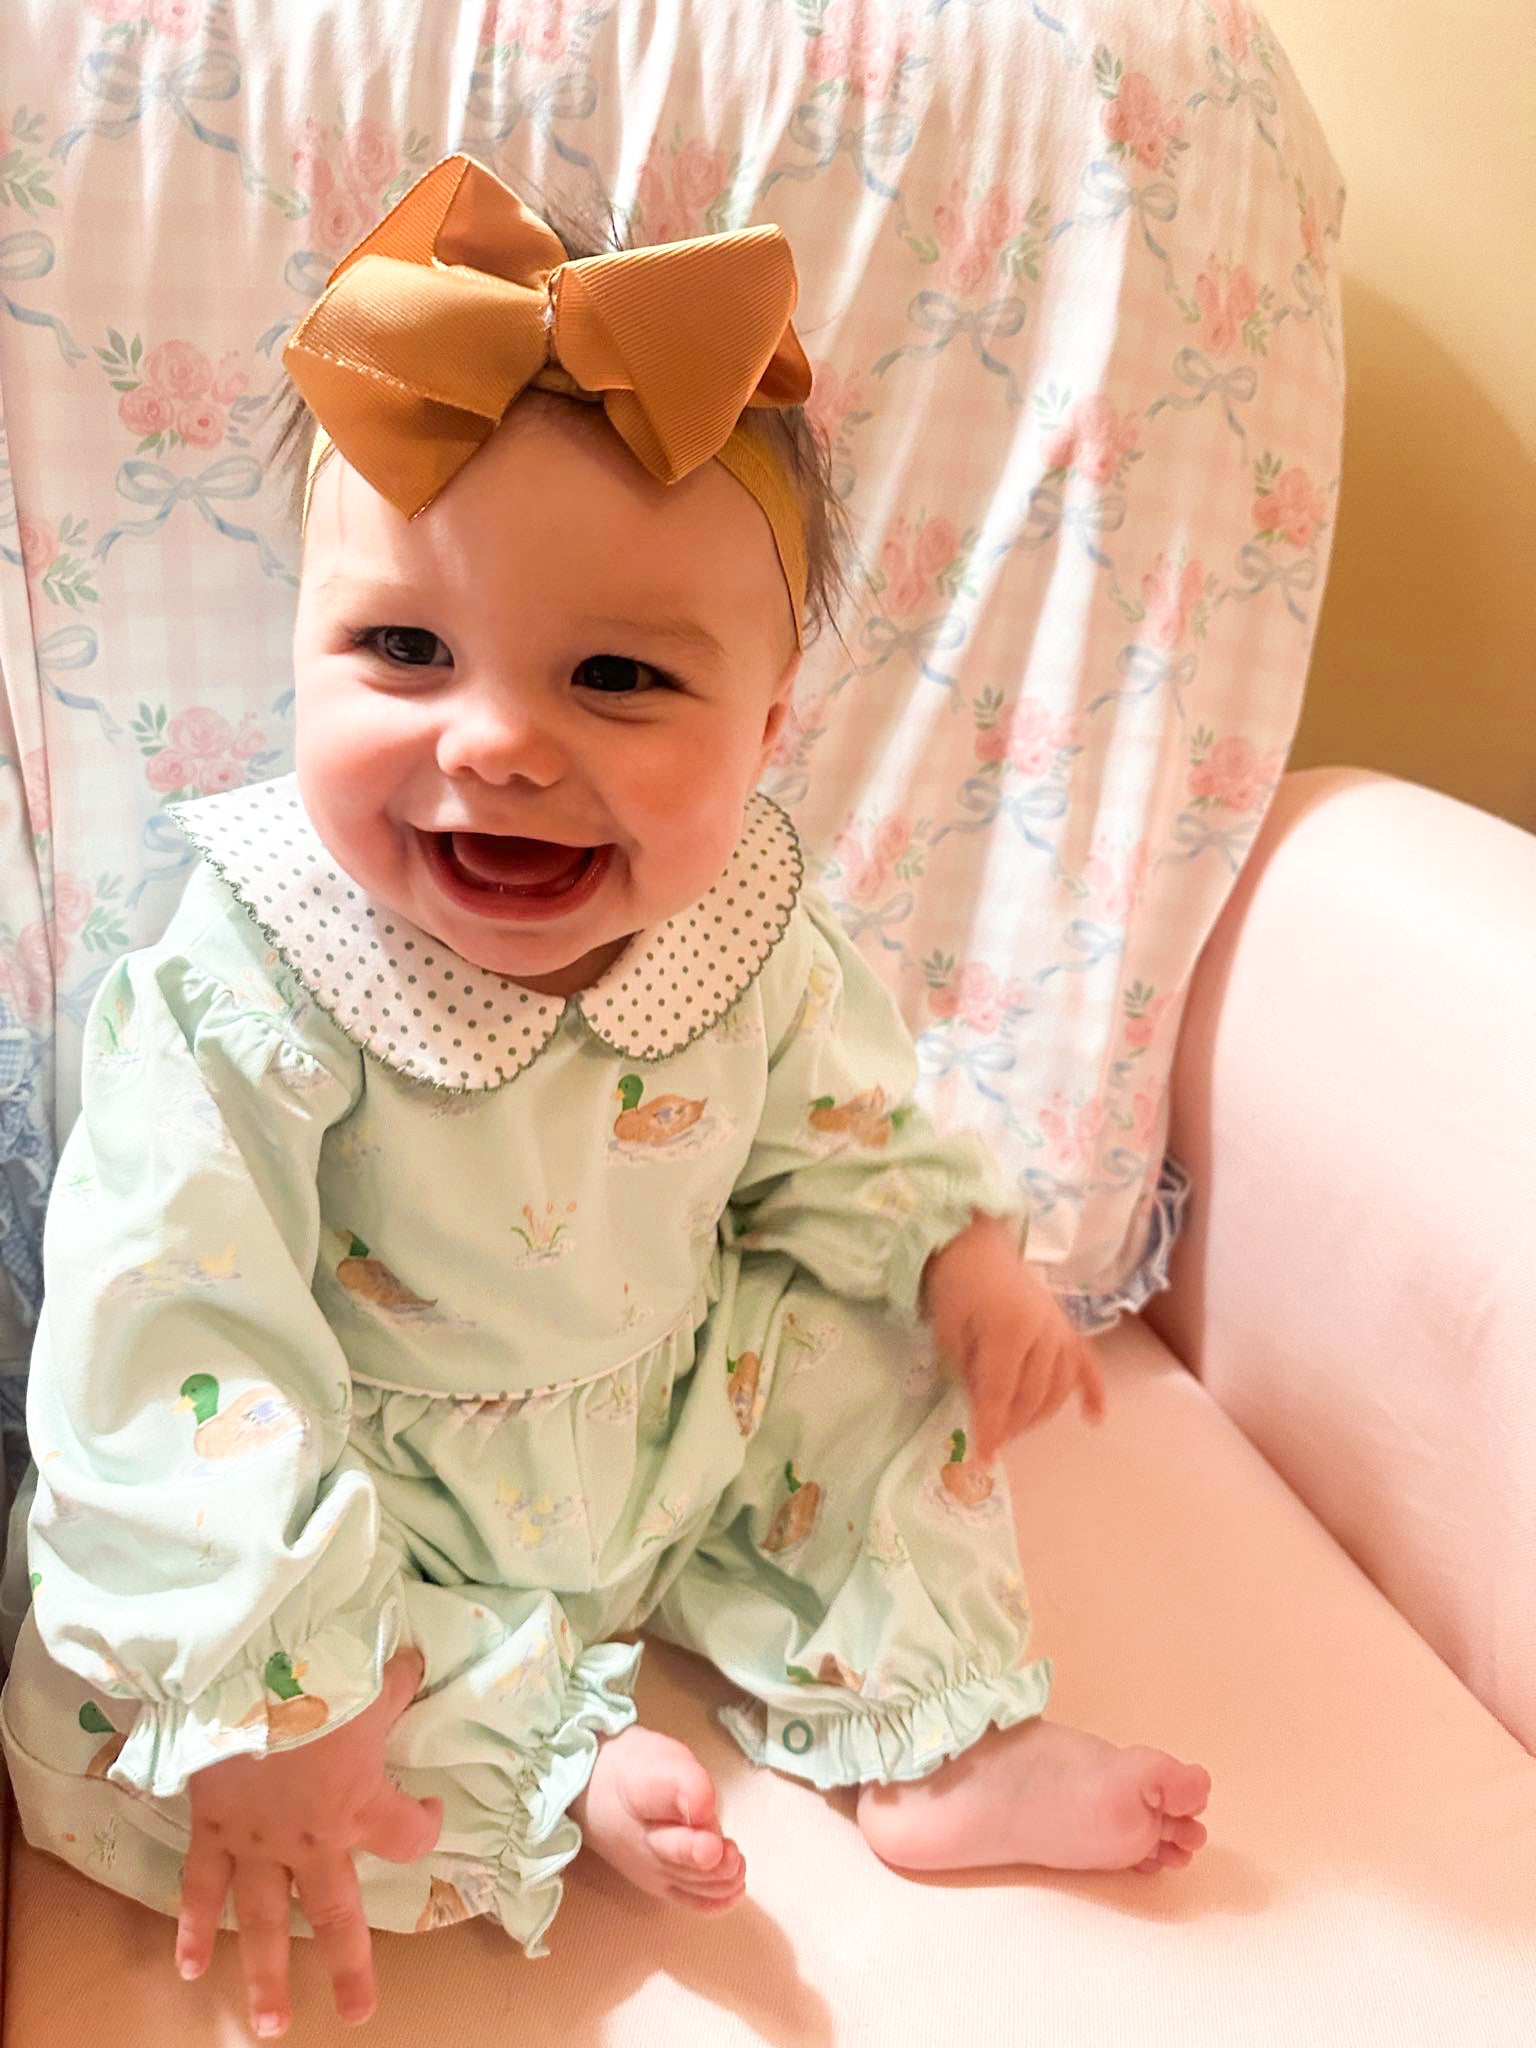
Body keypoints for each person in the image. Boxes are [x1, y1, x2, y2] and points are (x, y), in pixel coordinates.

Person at [0, 156, 1210, 2039]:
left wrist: (959, 1256)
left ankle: (935, 1734)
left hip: (680, 1420)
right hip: (380, 1489)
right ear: (303, 643)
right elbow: (176, 1328)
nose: (495, 740)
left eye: (621, 676)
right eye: (404, 649)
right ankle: (540, 1763)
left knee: (881, 1378)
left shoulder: (744, 927)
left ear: (766, 728)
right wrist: (259, 1683)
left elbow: (841, 1127)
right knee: (197, 1710)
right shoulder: (250, 968)